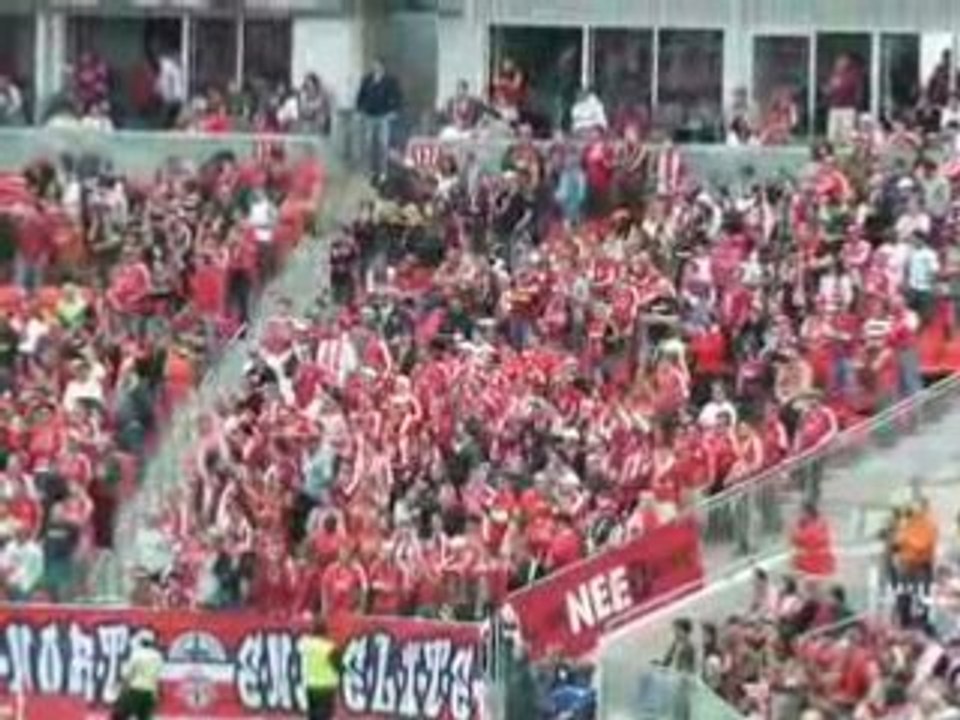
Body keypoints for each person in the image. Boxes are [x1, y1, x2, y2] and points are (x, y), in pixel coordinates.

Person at [356, 59, 403, 177]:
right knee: (367, 145)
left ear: (382, 66)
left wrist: (394, 111)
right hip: (369, 115)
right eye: (373, 64)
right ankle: (368, 170)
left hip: (383, 116)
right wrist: (359, 110)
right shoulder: (367, 79)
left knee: (383, 145)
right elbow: (360, 95)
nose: (374, 66)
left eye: (377, 65)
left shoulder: (390, 80)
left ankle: (382, 171)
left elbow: (397, 96)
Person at [112, 635, 164, 720]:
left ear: (141, 642)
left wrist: (122, 686)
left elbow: (128, 673)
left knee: (123, 715)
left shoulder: (136, 654)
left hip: (135, 690)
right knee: (145, 717)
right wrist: (159, 693)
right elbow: (159, 677)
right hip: (150, 691)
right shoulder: (158, 656)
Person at [299, 615, 339, 720]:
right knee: (324, 715)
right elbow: (338, 666)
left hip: (310, 685)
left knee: (313, 714)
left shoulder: (306, 644)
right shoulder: (329, 647)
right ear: (326, 632)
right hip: (326, 686)